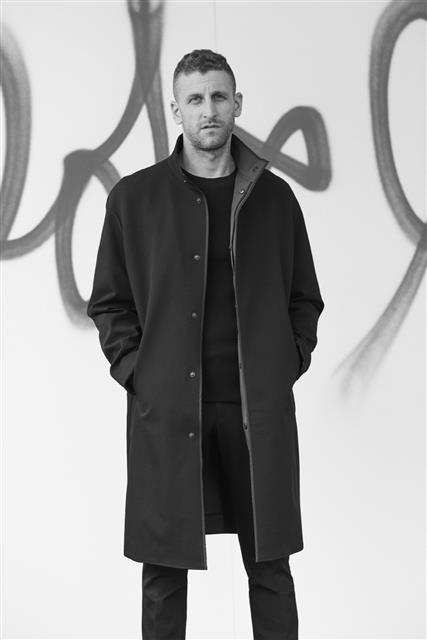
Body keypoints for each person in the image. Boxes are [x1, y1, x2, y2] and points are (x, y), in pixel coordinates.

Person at [87, 48, 324, 639]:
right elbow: (109, 303)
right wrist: (141, 373)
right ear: (177, 111)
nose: (208, 110)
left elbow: (305, 298)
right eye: (195, 99)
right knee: (163, 570)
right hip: (170, 411)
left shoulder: (275, 199)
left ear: (237, 103)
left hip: (255, 411)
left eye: (219, 96)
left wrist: (285, 364)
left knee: (270, 566)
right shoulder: (134, 200)